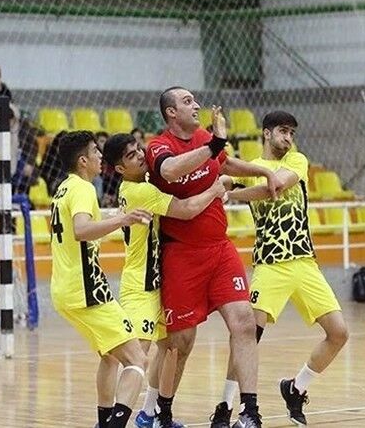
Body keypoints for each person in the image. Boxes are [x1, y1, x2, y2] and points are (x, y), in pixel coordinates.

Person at [144, 87, 281, 428]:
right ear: (171, 112)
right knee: (180, 343)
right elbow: (170, 171)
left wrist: (263, 172)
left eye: (195, 100)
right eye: (187, 101)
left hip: (219, 250)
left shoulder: (206, 140)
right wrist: (213, 145)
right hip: (181, 254)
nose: (196, 105)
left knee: (244, 323)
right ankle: (163, 413)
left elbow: (226, 162)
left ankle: (249, 412)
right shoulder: (159, 146)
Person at [221, 111, 349, 426]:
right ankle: (225, 406)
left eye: (291, 132)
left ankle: (296, 388)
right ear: (266, 133)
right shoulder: (251, 167)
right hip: (270, 265)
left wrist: (230, 195)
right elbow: (221, 178)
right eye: (282, 131)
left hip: (304, 261)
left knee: (339, 333)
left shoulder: (297, 160)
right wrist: (218, 184)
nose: (288, 137)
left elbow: (274, 186)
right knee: (247, 336)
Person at [103, 132, 228, 428]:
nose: (140, 156)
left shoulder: (143, 183)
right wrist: (214, 189)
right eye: (131, 156)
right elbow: (186, 210)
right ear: (120, 169)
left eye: (139, 149)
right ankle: (112, 419)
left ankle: (149, 414)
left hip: (160, 281)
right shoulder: (140, 191)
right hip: (140, 286)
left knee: (167, 349)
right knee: (137, 357)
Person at [49, 130, 150, 428]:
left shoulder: (63, 188)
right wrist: (123, 219)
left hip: (65, 290)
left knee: (110, 356)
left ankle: (103, 422)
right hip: (87, 290)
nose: (100, 156)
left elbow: (79, 233)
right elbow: (81, 230)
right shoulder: (83, 188)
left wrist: (115, 220)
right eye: (95, 151)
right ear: (83, 160)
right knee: (137, 359)